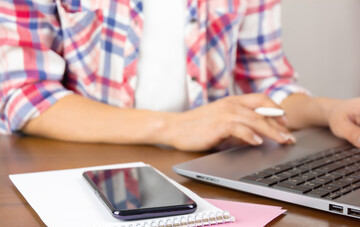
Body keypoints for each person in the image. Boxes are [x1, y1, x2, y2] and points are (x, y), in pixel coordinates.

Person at [0, 0, 359, 152]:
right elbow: (22, 93)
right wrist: (175, 127)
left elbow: (264, 85)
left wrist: (327, 111)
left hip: (197, 169)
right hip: (74, 162)